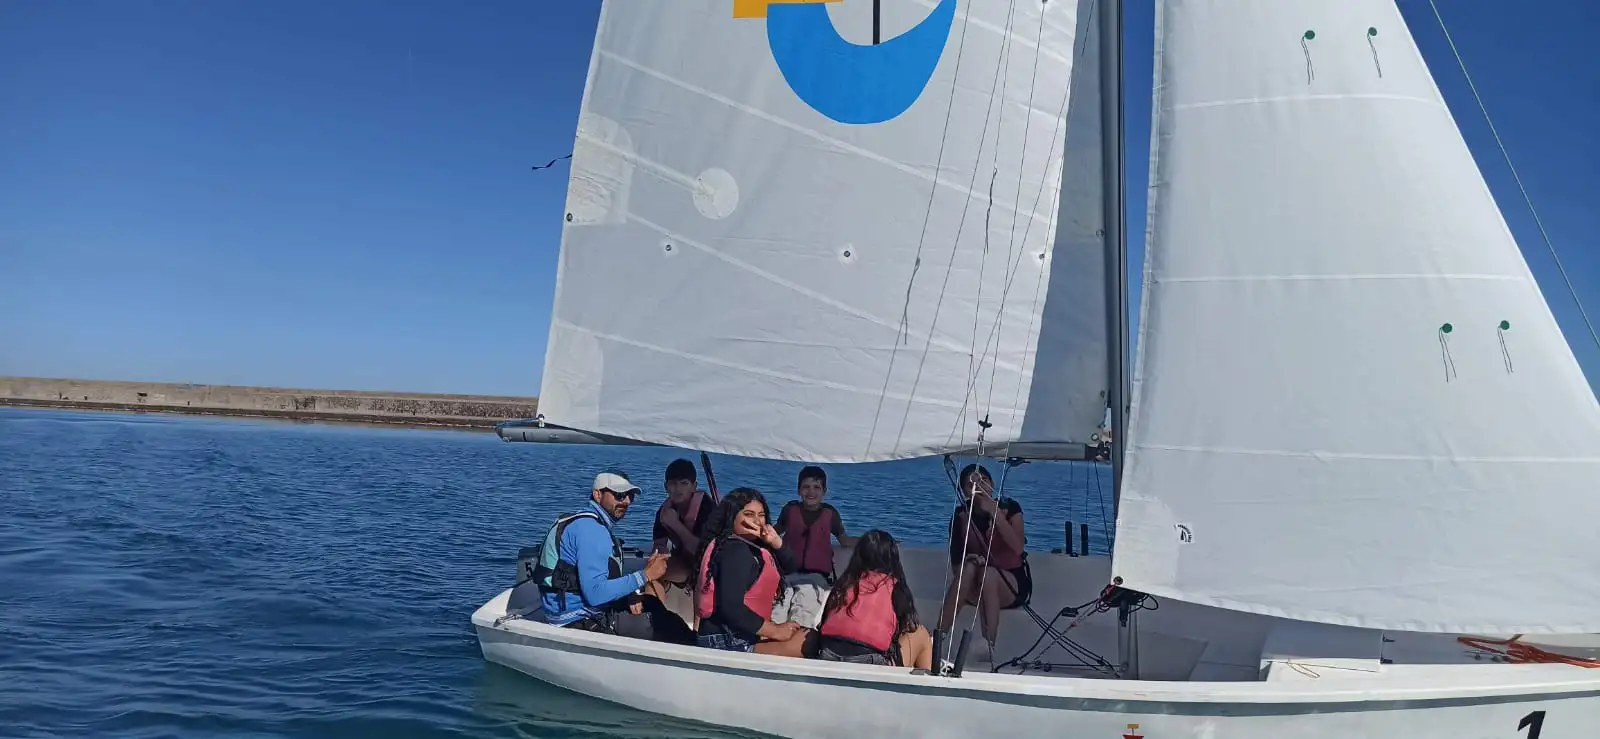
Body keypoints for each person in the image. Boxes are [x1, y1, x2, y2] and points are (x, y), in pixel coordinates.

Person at [530, 470, 695, 644]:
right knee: (664, 626)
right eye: (619, 495)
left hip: (566, 610)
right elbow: (595, 594)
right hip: (577, 619)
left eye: (630, 496)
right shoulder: (592, 530)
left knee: (652, 604)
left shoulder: (583, 521)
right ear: (597, 494)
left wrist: (628, 595)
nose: (626, 501)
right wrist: (645, 575)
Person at [695, 487, 811, 656]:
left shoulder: (750, 547)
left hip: (737, 635)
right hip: (725, 640)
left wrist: (776, 542)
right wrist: (775, 631)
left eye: (761, 515)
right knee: (809, 640)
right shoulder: (735, 551)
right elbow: (730, 607)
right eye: (748, 514)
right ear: (732, 517)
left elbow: (791, 566)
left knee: (805, 635)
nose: (756, 520)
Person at [935, 463, 1030, 663]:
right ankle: (938, 636)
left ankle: (988, 644)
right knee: (970, 568)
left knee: (988, 574)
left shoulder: (1011, 508)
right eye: (971, 484)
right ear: (964, 492)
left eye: (983, 480)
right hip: (974, 587)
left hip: (1010, 585)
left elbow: (1018, 547)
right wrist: (969, 559)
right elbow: (956, 568)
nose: (978, 486)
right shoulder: (960, 517)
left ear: (992, 483)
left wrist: (995, 513)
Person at [810, 529, 934, 670]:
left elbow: (825, 621)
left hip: (828, 654)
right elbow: (908, 623)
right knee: (920, 633)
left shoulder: (845, 583)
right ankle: (926, 680)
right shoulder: (896, 588)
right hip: (870, 662)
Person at [772, 465, 855, 628]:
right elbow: (773, 534)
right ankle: (772, 638)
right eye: (806, 487)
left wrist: (873, 539)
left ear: (824, 491)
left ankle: (795, 638)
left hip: (815, 578)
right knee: (777, 612)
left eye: (816, 487)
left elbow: (845, 540)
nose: (811, 492)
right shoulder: (789, 510)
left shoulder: (830, 514)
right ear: (798, 490)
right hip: (786, 575)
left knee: (803, 611)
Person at [647, 459, 716, 602]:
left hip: (711, 567)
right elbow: (658, 545)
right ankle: (654, 613)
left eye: (684, 483)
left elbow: (703, 552)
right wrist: (658, 559)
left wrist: (675, 524)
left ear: (694, 486)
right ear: (666, 487)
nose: (678, 489)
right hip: (685, 562)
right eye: (673, 483)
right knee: (652, 573)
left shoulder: (708, 510)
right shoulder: (664, 512)